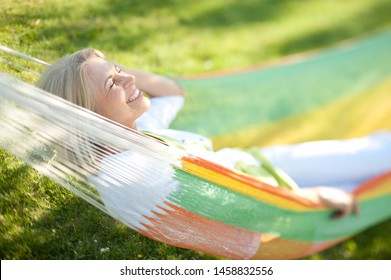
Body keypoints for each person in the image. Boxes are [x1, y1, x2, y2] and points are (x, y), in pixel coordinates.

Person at [37, 48, 391, 221]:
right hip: (279, 199)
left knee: (378, 153)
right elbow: (233, 210)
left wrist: (114, 72)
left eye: (120, 70)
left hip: (258, 167)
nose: (130, 79)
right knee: (379, 176)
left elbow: (172, 92)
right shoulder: (136, 173)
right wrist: (315, 198)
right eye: (113, 82)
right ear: (87, 116)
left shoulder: (133, 133)